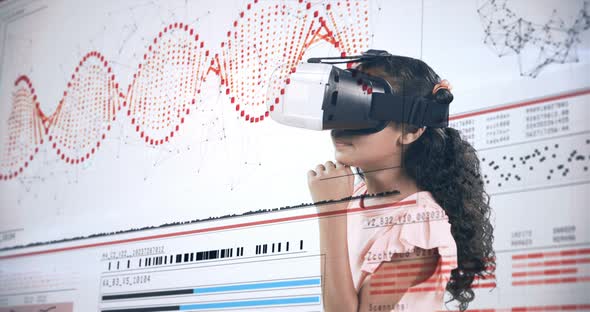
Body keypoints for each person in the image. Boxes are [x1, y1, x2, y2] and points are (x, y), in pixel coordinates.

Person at [307, 55, 495, 312]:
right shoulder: (356, 194)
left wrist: (331, 211)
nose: (341, 126)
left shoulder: (419, 227)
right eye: (339, 104)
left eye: (362, 110)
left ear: (411, 130)